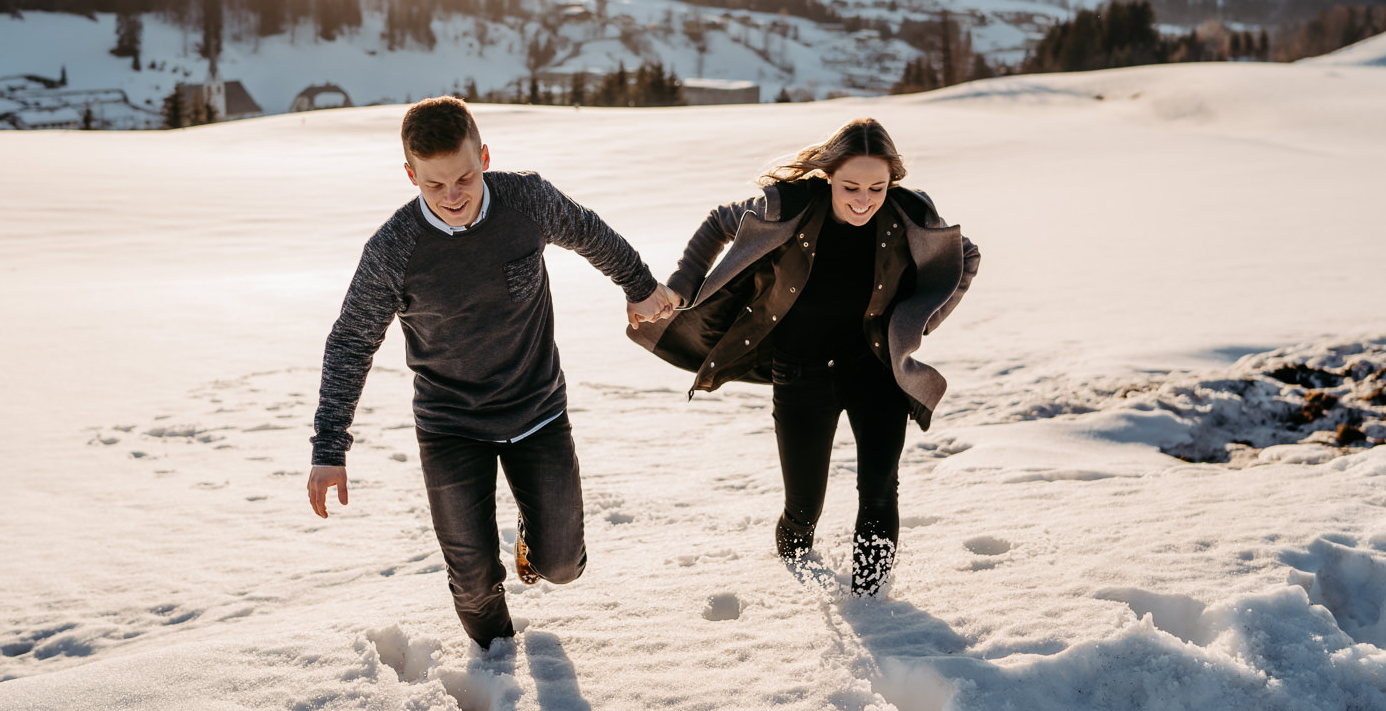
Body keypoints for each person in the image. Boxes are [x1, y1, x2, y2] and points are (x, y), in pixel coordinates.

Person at [307, 96, 675, 648]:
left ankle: (536, 538)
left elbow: (591, 234)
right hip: (450, 425)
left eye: (464, 177)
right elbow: (351, 342)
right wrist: (329, 447)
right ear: (411, 176)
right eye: (434, 185)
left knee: (563, 566)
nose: (453, 196)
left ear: (483, 155)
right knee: (474, 583)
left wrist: (640, 287)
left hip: (537, 410)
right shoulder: (393, 250)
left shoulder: (526, 199)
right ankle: (498, 667)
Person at [628, 118, 979, 595]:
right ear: (829, 175)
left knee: (879, 490)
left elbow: (967, 257)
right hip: (799, 373)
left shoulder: (911, 216)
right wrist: (684, 285)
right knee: (802, 509)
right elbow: (717, 222)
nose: (863, 199)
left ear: (892, 182)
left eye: (877, 187)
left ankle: (871, 602)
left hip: (876, 372)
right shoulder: (784, 206)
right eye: (850, 185)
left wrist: (914, 325)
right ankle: (797, 595)